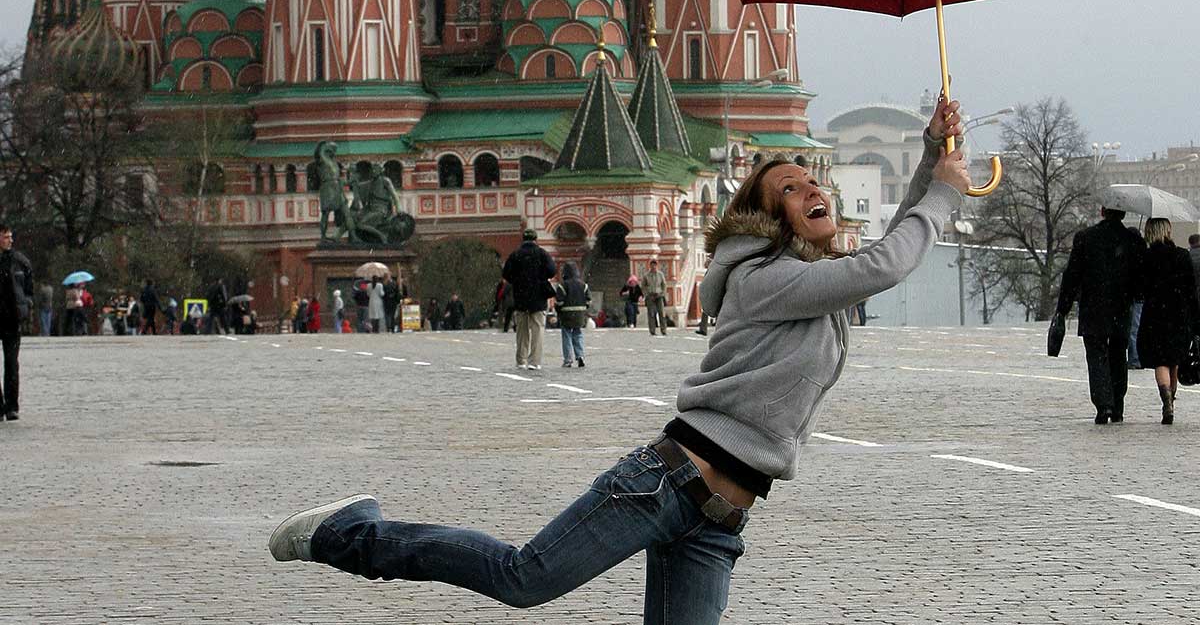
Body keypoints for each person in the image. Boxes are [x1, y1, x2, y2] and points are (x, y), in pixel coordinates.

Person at [268, 99, 969, 624]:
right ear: (763, 218)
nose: (812, 189)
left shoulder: (809, 279)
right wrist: (942, 194)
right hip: (659, 485)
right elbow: (885, 263)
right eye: (789, 187)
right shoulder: (768, 279)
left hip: (718, 519)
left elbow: (883, 246)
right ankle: (349, 534)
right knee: (522, 577)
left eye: (813, 181)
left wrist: (933, 154)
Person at [1053, 206, 1146, 424]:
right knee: (1118, 355)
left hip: (1093, 307)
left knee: (1096, 356)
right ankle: (1118, 405)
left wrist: (1063, 309)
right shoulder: (1131, 240)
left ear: (1103, 212)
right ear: (1123, 214)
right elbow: (1141, 276)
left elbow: (1072, 275)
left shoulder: (1086, 238)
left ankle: (1103, 404)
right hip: (1121, 307)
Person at [1137, 219, 1199, 424]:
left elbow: (1140, 288)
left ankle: (1167, 403)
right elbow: (1191, 290)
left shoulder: (1146, 257)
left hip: (1155, 314)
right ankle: (1171, 398)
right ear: (1168, 231)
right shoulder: (1182, 255)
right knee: (1174, 360)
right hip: (1179, 314)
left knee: (1160, 360)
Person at [502, 228, 556, 370]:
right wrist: (540, 277)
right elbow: (552, 270)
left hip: (520, 297)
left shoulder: (515, 254)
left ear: (523, 239)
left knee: (522, 331)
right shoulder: (542, 253)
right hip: (538, 297)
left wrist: (518, 280)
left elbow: (506, 273)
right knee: (537, 330)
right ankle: (534, 362)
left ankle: (521, 360)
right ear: (535, 239)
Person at [0, 225, 33, 421]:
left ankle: (12, 406)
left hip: (12, 318)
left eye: (11, 237)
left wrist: (27, 304)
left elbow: (29, 287)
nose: (10, 240)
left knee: (12, 363)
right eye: (6, 237)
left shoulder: (20, 261)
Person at [556, 263, 589, 368]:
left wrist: (559, 311)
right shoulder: (583, 285)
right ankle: (580, 356)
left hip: (566, 314)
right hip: (580, 314)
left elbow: (559, 302)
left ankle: (568, 359)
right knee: (578, 334)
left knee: (566, 336)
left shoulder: (562, 285)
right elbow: (589, 300)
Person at [1127, 226, 1145, 369]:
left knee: (1133, 328)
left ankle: (1134, 358)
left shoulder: (1129, 254)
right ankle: (1136, 357)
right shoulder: (1143, 252)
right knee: (1136, 327)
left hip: (1132, 295)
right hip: (1141, 295)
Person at [642, 260, 668, 336]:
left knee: (661, 313)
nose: (653, 267)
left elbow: (664, 285)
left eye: (655, 265)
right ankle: (652, 330)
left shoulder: (660, 274)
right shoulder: (646, 275)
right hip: (650, 295)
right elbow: (643, 286)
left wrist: (662, 293)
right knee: (651, 314)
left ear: (657, 266)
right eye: (652, 265)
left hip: (659, 295)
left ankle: (663, 330)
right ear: (650, 266)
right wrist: (646, 294)